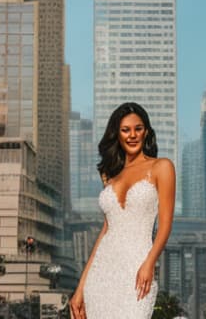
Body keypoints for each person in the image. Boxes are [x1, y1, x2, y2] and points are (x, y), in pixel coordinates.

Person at [69, 102, 176, 319]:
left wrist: (149, 262)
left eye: (138, 128)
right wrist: (81, 287)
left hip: (137, 268)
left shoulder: (162, 167)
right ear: (117, 134)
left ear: (146, 131)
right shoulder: (109, 174)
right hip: (102, 273)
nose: (132, 135)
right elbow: (106, 231)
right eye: (125, 130)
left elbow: (165, 226)